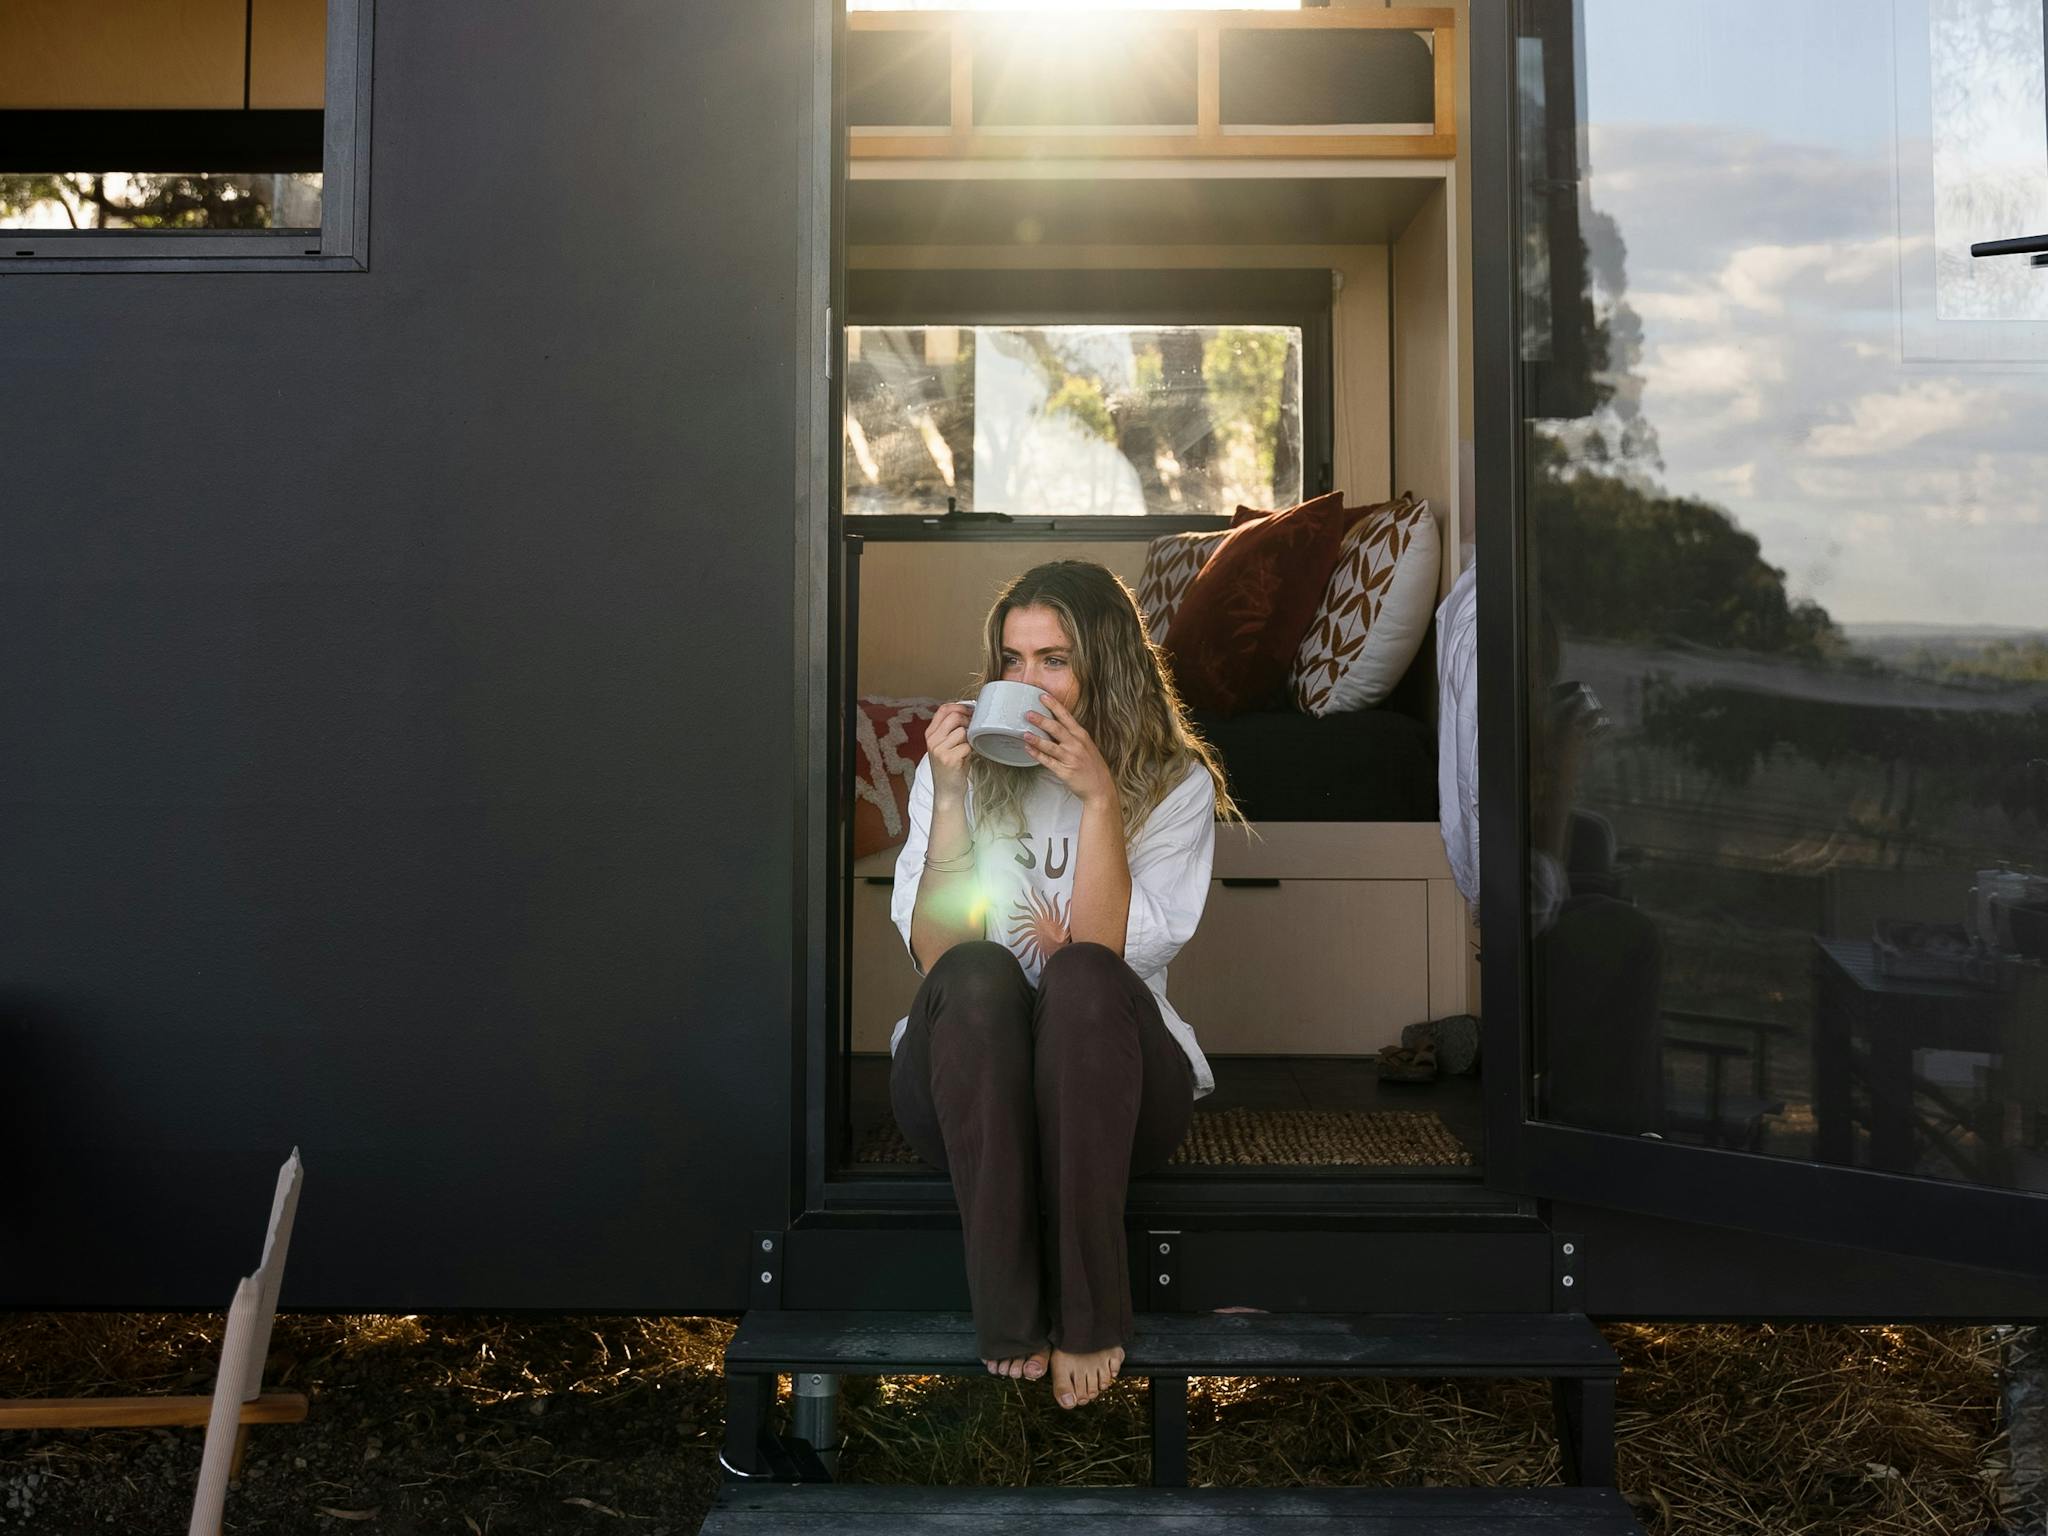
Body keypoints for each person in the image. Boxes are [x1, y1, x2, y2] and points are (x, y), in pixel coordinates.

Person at [889, 559, 1239, 1411]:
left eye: (1053, 660)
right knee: (978, 969)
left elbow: (1107, 952)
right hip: (967, 1090)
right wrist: (951, 793)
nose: (1026, 681)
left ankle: (1090, 1314)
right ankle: (1007, 1310)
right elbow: (937, 954)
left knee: (1082, 971)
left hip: (1112, 1096)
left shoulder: (1174, 782)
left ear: (1104, 665)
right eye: (1011, 660)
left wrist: (1098, 803)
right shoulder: (961, 771)